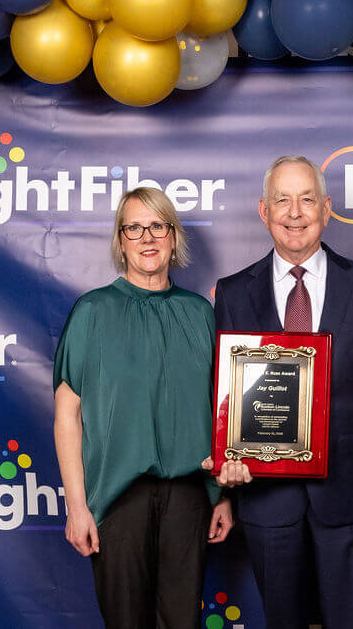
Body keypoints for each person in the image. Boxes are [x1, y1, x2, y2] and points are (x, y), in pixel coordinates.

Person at [211, 155, 353, 629]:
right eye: (282, 200)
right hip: (267, 499)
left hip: (350, 495)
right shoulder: (232, 292)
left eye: (307, 200)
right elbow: (222, 396)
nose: (295, 213)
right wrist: (226, 467)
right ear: (263, 211)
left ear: (326, 209)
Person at [52, 187, 234, 628]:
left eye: (157, 226)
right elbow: (67, 417)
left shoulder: (200, 313)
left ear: (173, 236)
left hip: (190, 496)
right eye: (134, 228)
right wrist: (77, 507)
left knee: (182, 621)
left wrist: (223, 495)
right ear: (121, 240)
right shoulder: (92, 311)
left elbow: (223, 411)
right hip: (118, 497)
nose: (147, 238)